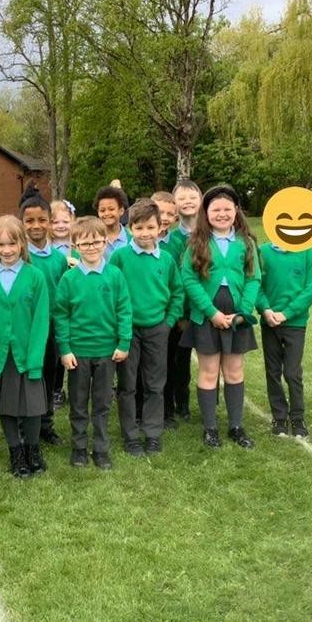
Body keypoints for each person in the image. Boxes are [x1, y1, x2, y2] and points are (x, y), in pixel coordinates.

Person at [181, 185, 261, 449]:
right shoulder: (197, 242)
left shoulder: (246, 242)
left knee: (234, 371)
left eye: (227, 209)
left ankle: (236, 425)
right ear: (207, 212)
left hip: (237, 316)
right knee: (209, 371)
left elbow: (253, 278)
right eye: (216, 209)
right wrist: (211, 312)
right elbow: (189, 280)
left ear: (236, 211)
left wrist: (244, 310)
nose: (222, 214)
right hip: (207, 317)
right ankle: (210, 428)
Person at [0, 215, 51, 479]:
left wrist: (35, 357)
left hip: (27, 355)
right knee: (6, 406)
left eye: (12, 244)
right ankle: (15, 452)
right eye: (0, 245)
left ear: (22, 244)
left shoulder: (35, 276)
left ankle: (32, 449)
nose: (6, 250)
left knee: (32, 406)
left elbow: (41, 321)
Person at [55, 217, 132, 469]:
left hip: (107, 352)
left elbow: (124, 310)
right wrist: (65, 349)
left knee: (101, 403)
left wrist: (124, 342)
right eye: (84, 243)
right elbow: (61, 315)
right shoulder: (69, 279)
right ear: (75, 245)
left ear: (105, 241)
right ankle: (78, 447)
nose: (91, 247)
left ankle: (100, 448)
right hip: (79, 352)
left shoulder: (115, 275)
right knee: (78, 403)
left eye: (96, 242)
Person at [110, 199, 184, 456]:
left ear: (160, 227)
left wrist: (169, 322)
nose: (145, 233)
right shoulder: (119, 257)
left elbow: (177, 292)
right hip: (128, 332)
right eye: (139, 228)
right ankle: (130, 435)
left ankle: (153, 433)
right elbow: (112, 292)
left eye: (150, 227)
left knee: (155, 384)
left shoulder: (165, 259)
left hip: (157, 330)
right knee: (128, 385)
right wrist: (120, 326)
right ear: (130, 228)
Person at [256, 240, 312, 438]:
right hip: (270, 322)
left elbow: (311, 288)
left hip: (295, 323)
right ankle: (279, 416)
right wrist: (266, 310)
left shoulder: (307, 251)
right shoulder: (263, 252)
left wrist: (288, 313)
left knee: (292, 372)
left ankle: (298, 417)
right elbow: (255, 284)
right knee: (273, 370)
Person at [20, 195, 67, 445]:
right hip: (25, 329)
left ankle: (46, 425)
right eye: (29, 221)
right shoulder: (19, 256)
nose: (35, 225)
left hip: (50, 328)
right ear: (22, 223)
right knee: (27, 376)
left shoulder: (59, 259)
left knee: (49, 376)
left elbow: (62, 296)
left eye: (41, 220)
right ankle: (24, 423)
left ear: (49, 222)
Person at [164, 180, 203, 422]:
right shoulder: (171, 240)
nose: (187, 201)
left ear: (200, 200)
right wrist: (180, 315)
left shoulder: (209, 234)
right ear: (174, 205)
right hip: (180, 313)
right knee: (178, 359)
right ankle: (180, 402)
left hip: (206, 309)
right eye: (182, 198)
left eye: (192, 197)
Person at [151, 190, 182, 428]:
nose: (164, 217)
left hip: (168, 319)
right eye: (160, 211)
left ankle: (167, 411)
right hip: (143, 318)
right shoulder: (137, 241)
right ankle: (144, 411)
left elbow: (181, 283)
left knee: (169, 365)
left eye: (170, 214)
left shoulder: (178, 245)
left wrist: (176, 316)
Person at [49, 198, 77, 408]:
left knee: (74, 347)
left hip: (76, 307)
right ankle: (56, 388)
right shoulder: (47, 248)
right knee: (56, 349)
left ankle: (79, 385)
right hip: (54, 307)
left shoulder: (77, 246)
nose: (60, 226)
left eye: (65, 221)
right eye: (55, 221)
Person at [94, 185, 130, 261]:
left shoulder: (132, 239)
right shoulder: (92, 239)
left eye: (111, 209)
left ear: (121, 210)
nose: (106, 213)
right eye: (102, 210)